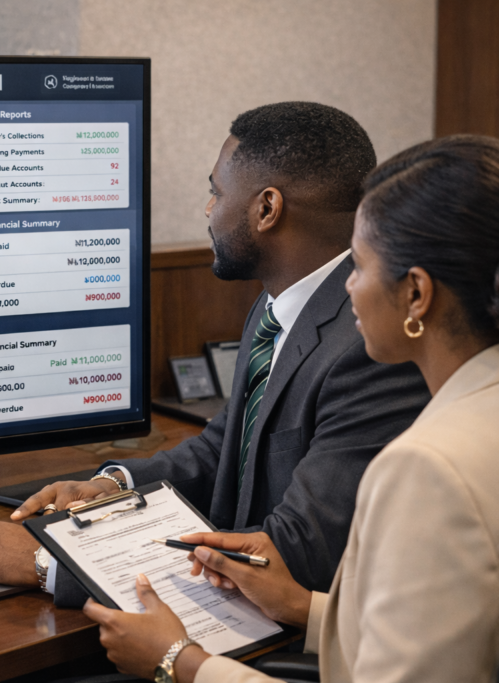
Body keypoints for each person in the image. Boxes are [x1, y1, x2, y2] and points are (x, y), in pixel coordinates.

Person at [0, 102, 430, 600]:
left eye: (216, 191)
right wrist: (115, 485)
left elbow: (294, 551)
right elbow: (229, 445)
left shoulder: (372, 346)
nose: (209, 209)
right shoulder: (281, 300)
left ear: (267, 209)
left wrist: (48, 564)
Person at [84, 134, 499, 683]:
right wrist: (303, 608)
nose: (348, 285)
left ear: (417, 295)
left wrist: (180, 664)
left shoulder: (427, 468)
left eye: (362, 265)